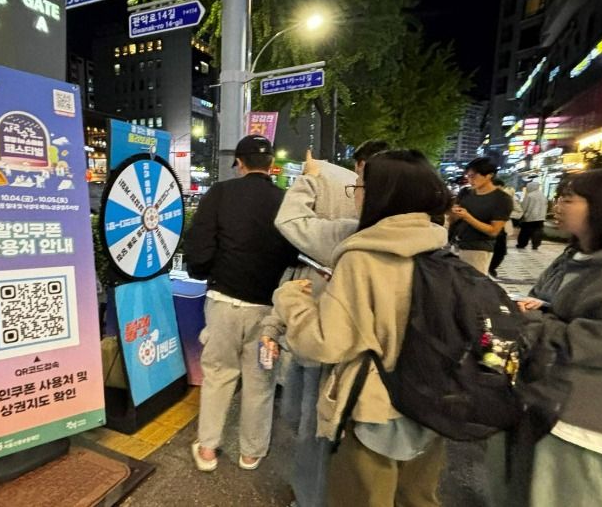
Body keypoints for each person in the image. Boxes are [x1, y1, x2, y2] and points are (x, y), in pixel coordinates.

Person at [274, 150, 451, 507]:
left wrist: (291, 299)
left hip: (376, 408)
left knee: (364, 494)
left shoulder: (363, 256)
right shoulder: (440, 246)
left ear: (381, 194)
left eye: (359, 186)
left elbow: (324, 342)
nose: (355, 193)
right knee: (417, 498)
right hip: (431, 404)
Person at [488, 168, 602, 507]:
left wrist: (533, 322)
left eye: (569, 199)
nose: (557, 206)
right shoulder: (583, 258)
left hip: (583, 420)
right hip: (551, 405)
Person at [183, 135, 298, 472]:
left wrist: (203, 271)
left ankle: (208, 449)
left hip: (223, 302)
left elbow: (200, 245)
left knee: (218, 375)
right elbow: (295, 253)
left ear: (240, 163)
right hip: (268, 311)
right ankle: (251, 452)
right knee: (261, 381)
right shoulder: (286, 201)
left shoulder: (220, 194)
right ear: (271, 164)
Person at [262, 149, 360, 507]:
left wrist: (311, 176)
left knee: (313, 430)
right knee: (300, 419)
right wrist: (273, 327)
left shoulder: (348, 235)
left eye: (360, 184)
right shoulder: (326, 248)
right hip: (310, 351)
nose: (356, 191)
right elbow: (297, 282)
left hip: (327, 353)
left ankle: (309, 498)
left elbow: (290, 219)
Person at [448, 157, 513, 274]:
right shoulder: (465, 193)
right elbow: (453, 219)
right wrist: (453, 213)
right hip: (456, 245)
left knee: (473, 283)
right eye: (468, 176)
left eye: (473, 176)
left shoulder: (502, 199)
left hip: (478, 249)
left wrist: (467, 217)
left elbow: (493, 231)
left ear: (489, 175)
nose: (470, 180)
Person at [489, 178, 518, 278]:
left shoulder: (506, 198)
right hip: (486, 229)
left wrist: (505, 216)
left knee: (500, 252)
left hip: (501, 229)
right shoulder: (483, 198)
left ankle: (491, 268)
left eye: (500, 188)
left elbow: (518, 211)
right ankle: (489, 268)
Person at [517, 180, 546, 250]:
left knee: (525, 232)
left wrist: (522, 215)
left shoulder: (529, 195)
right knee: (538, 231)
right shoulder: (543, 195)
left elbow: (524, 206)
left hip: (530, 217)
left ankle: (522, 244)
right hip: (541, 217)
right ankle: (535, 245)